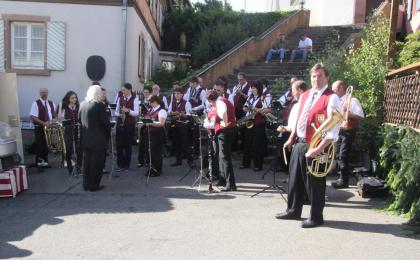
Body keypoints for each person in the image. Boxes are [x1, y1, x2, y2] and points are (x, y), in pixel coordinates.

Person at [276, 63, 343, 228]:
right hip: (299, 143)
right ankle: (293, 210)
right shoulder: (306, 94)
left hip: (318, 146)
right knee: (295, 179)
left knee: (315, 183)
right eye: (314, 76)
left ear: (327, 77)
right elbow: (300, 118)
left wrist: (318, 149)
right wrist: (292, 137)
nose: (316, 79)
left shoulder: (331, 97)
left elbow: (334, 128)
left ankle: (316, 217)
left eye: (320, 76)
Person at [331, 80, 364, 189]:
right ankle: (341, 178)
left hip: (348, 130)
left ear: (341, 88)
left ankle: (344, 181)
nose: (333, 92)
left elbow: (360, 116)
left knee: (343, 155)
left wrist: (346, 114)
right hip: (340, 131)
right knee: (339, 155)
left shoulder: (352, 100)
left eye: (335, 90)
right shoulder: (339, 101)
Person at [79, 85, 111, 191]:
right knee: (97, 165)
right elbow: (106, 124)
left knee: (86, 164)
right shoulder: (99, 106)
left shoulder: (82, 104)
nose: (102, 94)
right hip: (98, 141)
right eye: (101, 93)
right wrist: (108, 133)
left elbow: (80, 121)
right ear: (97, 93)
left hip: (86, 140)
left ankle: (86, 185)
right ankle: (94, 185)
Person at [207, 89, 237, 192]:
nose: (211, 104)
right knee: (221, 156)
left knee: (224, 157)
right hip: (226, 131)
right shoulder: (222, 100)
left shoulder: (220, 102)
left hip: (226, 131)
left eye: (210, 102)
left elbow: (223, 112)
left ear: (212, 100)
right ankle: (223, 180)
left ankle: (231, 184)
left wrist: (225, 121)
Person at [241, 80, 269, 171]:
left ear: (259, 88)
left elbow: (268, 110)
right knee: (247, 143)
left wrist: (255, 109)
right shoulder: (250, 97)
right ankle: (246, 163)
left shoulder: (264, 97)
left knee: (258, 144)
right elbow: (244, 107)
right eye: (252, 88)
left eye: (254, 88)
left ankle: (257, 165)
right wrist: (246, 108)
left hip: (259, 123)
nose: (252, 90)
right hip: (249, 121)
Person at [114, 83, 140, 171]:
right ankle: (120, 164)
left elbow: (136, 113)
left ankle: (126, 165)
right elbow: (116, 112)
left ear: (129, 90)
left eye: (124, 90)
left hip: (129, 124)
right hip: (120, 123)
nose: (122, 92)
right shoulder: (120, 98)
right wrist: (120, 115)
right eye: (122, 90)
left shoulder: (135, 99)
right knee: (119, 145)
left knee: (128, 145)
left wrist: (128, 111)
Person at [29, 88, 56, 167]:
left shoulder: (51, 103)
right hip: (39, 127)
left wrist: (52, 121)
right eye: (42, 92)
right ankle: (39, 162)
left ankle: (45, 162)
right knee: (40, 145)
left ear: (48, 93)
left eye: (46, 92)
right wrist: (44, 123)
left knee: (47, 144)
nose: (44, 94)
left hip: (48, 127)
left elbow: (54, 115)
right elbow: (33, 117)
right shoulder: (35, 103)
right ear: (40, 93)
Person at [167, 87, 193, 167]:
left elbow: (189, 115)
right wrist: (175, 113)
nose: (176, 95)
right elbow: (168, 112)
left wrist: (182, 114)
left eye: (178, 93)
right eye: (175, 93)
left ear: (182, 94)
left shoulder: (187, 103)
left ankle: (190, 161)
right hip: (175, 125)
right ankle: (178, 161)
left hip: (183, 126)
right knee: (177, 143)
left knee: (186, 144)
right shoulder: (173, 102)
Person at [58, 91, 81, 174]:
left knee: (79, 149)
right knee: (69, 149)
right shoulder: (65, 108)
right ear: (68, 99)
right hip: (68, 130)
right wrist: (60, 106)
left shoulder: (78, 107)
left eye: (75, 98)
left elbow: (80, 117)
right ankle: (69, 167)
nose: (74, 99)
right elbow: (60, 119)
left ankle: (79, 167)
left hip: (77, 130)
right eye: (72, 98)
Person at [144, 95, 167, 177]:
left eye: (151, 102)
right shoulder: (151, 109)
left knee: (156, 152)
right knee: (149, 151)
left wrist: (149, 123)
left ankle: (157, 170)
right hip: (150, 133)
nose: (149, 104)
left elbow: (161, 123)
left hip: (157, 134)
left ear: (155, 101)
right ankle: (151, 168)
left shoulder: (162, 110)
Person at [137, 87, 151, 168]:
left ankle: (148, 161)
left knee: (148, 144)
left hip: (149, 124)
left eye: (147, 92)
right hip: (142, 124)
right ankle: (140, 161)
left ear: (150, 93)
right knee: (141, 143)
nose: (145, 94)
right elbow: (139, 114)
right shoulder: (141, 103)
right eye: (144, 92)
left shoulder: (152, 102)